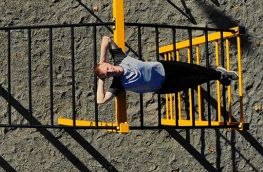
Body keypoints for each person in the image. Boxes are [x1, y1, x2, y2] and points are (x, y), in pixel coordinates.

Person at [95, 36, 238, 105]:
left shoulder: (120, 58)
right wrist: (101, 80)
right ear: (108, 77)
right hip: (165, 86)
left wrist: (101, 61)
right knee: (194, 80)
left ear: (108, 63)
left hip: (165, 67)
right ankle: (218, 75)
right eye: (107, 74)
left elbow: (106, 39)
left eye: (108, 68)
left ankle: (218, 74)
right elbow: (100, 101)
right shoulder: (118, 84)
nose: (110, 71)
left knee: (195, 69)